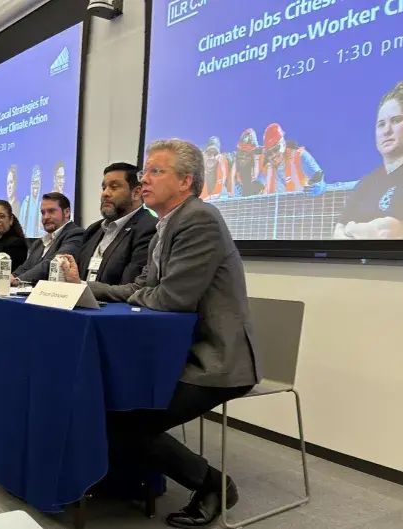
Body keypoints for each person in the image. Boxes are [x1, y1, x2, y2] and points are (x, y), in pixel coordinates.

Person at [60, 139, 262, 528]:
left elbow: (170, 298)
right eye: (144, 172)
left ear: (186, 181)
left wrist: (142, 293)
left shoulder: (199, 219)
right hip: (176, 352)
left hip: (215, 360)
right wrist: (84, 289)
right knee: (114, 404)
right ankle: (123, 479)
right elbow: (141, 287)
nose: (143, 180)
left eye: (155, 171)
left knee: (126, 420)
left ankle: (215, 486)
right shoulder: (168, 222)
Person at [334, 81, 403, 239]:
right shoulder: (366, 183)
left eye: (396, 120)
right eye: (381, 124)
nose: (387, 130)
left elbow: (385, 234)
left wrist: (351, 228)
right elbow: (337, 233)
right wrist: (362, 230)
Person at [77, 162, 157, 285]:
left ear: (136, 193)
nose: (105, 193)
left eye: (114, 187)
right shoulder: (94, 230)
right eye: (104, 188)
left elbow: (131, 285)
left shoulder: (149, 228)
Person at [11, 192, 84, 285]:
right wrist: (9, 278)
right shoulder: (38, 243)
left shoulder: (76, 234)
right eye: (43, 213)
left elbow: (53, 263)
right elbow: (25, 267)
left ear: (67, 212)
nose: (45, 217)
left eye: (51, 211)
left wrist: (18, 280)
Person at [260, 123, 326, 196]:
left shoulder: (300, 157)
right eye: (269, 153)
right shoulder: (266, 169)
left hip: (303, 205)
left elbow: (320, 180)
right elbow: (257, 185)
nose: (273, 155)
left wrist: (320, 187)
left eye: (276, 149)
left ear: (284, 145)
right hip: (279, 207)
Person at [228, 129, 265, 197]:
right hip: (244, 183)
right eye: (242, 152)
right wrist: (232, 193)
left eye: (247, 152)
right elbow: (232, 175)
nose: (244, 155)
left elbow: (256, 175)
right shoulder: (236, 158)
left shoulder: (258, 154)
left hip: (254, 183)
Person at [19, 166, 43, 238]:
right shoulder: (25, 203)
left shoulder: (41, 205)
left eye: (37, 188)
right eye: (34, 188)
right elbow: (20, 225)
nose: (35, 191)